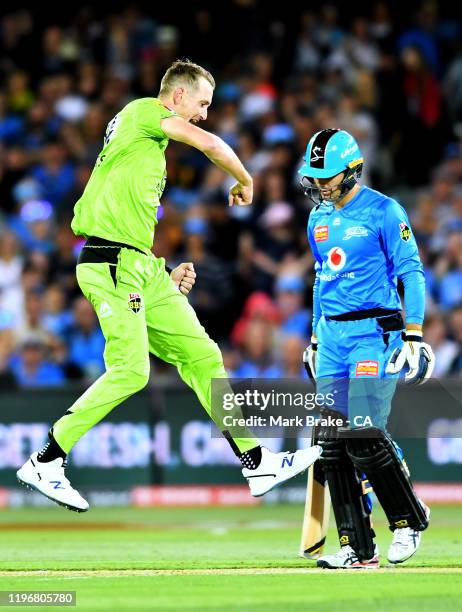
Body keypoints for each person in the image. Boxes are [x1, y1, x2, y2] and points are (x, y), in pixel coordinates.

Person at [17, 59, 321, 512]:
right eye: (201, 103)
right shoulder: (143, 111)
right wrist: (245, 178)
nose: (203, 114)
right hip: (111, 261)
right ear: (177, 96)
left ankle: (257, 462)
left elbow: (129, 217)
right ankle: (47, 460)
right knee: (132, 370)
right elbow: (210, 143)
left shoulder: (146, 144)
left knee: (203, 355)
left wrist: (160, 274)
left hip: (139, 265)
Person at [299, 128, 435, 568]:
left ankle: (408, 521)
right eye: (315, 175)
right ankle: (358, 548)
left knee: (361, 433)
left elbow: (411, 273)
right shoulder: (317, 219)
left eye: (328, 175)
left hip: (374, 334)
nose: (320, 183)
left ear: (352, 169)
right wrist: (316, 337)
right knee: (331, 443)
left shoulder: (383, 210)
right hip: (333, 337)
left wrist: (413, 334)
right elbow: (322, 278)